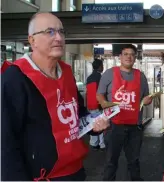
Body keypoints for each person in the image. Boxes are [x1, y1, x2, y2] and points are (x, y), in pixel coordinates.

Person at [1, 12, 110, 181]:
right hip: (42, 176)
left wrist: (95, 124)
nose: (58, 37)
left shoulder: (66, 72)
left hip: (76, 172)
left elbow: (78, 113)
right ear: (32, 40)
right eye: (49, 32)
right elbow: (5, 142)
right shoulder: (14, 78)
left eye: (61, 31)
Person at [97, 44, 152, 181]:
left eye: (132, 54)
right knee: (110, 162)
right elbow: (99, 94)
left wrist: (147, 101)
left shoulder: (141, 76)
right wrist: (103, 103)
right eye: (126, 54)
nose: (129, 57)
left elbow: (146, 97)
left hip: (135, 127)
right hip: (113, 126)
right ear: (120, 57)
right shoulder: (109, 73)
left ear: (135, 58)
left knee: (134, 162)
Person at [86, 58, 106, 150]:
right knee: (101, 123)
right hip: (98, 103)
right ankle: (102, 144)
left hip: (90, 104)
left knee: (93, 123)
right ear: (99, 67)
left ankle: (94, 143)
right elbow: (101, 92)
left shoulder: (89, 77)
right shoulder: (100, 78)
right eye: (102, 65)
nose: (103, 67)